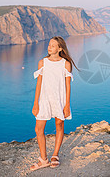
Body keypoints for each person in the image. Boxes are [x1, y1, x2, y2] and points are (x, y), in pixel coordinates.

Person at [29, 36, 78, 171]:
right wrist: (35, 103)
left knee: (59, 125)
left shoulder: (65, 64)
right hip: (44, 99)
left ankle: (55, 155)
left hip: (59, 99)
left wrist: (67, 105)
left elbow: (68, 86)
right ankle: (43, 159)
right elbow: (38, 84)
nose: (49, 47)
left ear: (60, 48)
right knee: (38, 129)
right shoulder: (42, 63)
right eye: (49, 45)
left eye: (53, 45)